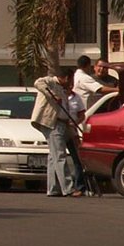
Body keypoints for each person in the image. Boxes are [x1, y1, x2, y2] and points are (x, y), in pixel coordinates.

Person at [31, 68, 77, 197]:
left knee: (53, 156)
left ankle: (53, 188)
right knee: (60, 155)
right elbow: (38, 82)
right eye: (71, 79)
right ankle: (68, 188)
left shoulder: (63, 89)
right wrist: (52, 94)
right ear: (67, 77)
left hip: (62, 123)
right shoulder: (50, 81)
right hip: (52, 123)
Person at [61, 79, 88, 197]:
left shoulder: (76, 98)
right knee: (59, 158)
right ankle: (62, 186)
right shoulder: (59, 96)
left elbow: (82, 115)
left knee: (77, 158)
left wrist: (75, 122)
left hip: (72, 131)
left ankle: (80, 186)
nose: (70, 87)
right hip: (61, 130)